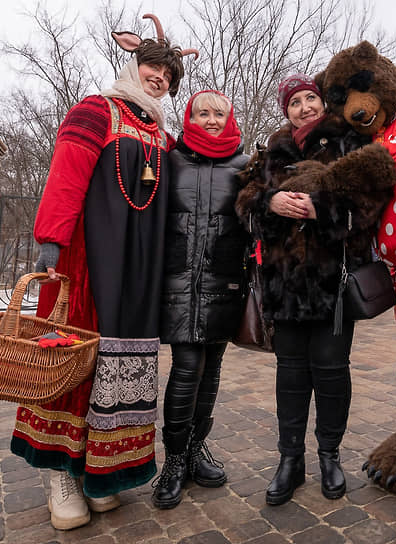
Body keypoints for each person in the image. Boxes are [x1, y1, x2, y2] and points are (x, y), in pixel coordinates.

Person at [9, 15, 195, 531]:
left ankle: (101, 469)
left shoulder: (163, 133)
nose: (160, 80)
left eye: (168, 78)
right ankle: (60, 472)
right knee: (76, 358)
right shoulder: (96, 110)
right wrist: (51, 238)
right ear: (134, 65)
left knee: (123, 362)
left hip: (141, 268)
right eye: (154, 70)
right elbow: (66, 171)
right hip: (90, 259)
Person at [235, 74, 385, 505]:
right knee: (291, 375)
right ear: (286, 110)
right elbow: (244, 202)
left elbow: (369, 206)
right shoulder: (273, 153)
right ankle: (290, 460)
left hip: (331, 285)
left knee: (332, 371)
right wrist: (270, 204)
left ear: (323, 103)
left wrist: (322, 209)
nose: (304, 107)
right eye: (295, 102)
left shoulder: (349, 145)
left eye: (310, 99)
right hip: (283, 286)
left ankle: (329, 456)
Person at [153, 90, 249, 509]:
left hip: (224, 284)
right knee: (188, 366)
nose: (211, 119)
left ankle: (196, 450)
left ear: (230, 119)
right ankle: (173, 461)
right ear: (189, 116)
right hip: (177, 282)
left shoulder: (246, 166)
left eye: (219, 113)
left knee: (211, 370)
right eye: (202, 112)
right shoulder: (168, 159)